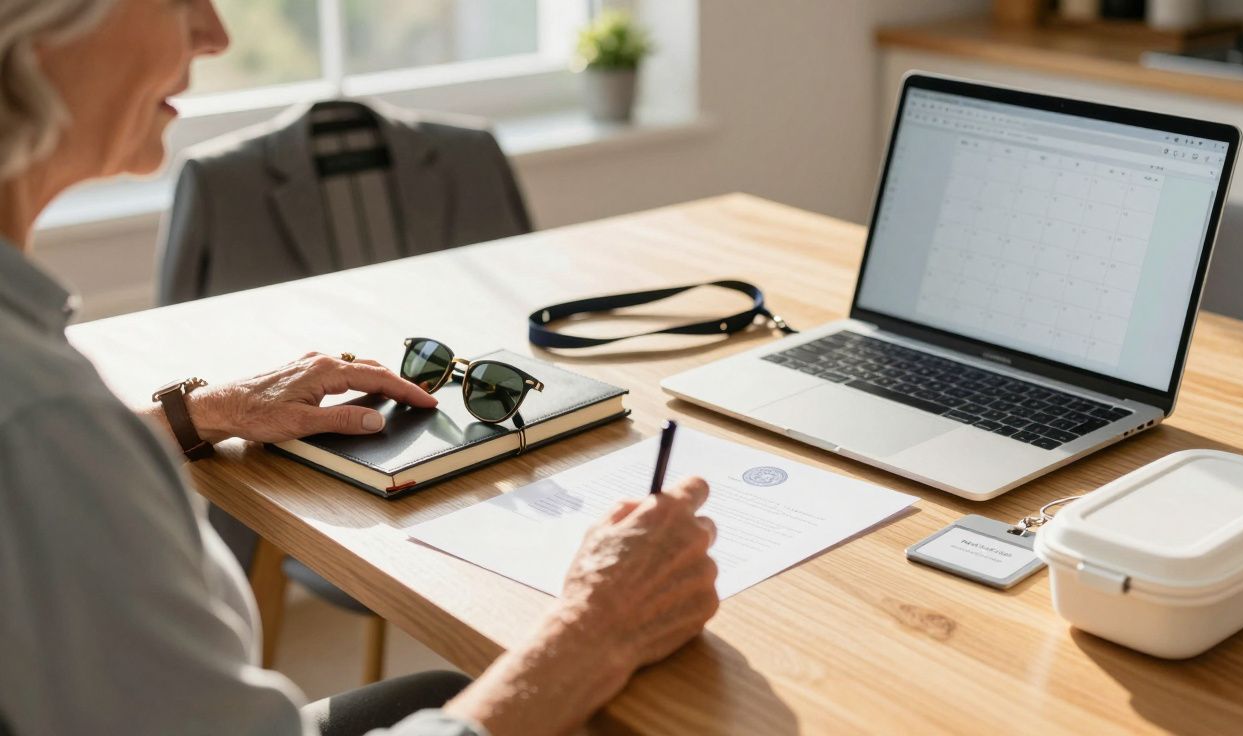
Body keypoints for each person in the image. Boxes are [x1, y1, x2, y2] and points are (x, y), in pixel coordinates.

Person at [0, 1, 719, 734]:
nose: (213, 34)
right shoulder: (42, 421)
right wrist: (595, 630)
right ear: (34, 28)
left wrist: (191, 414)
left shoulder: (36, 398)